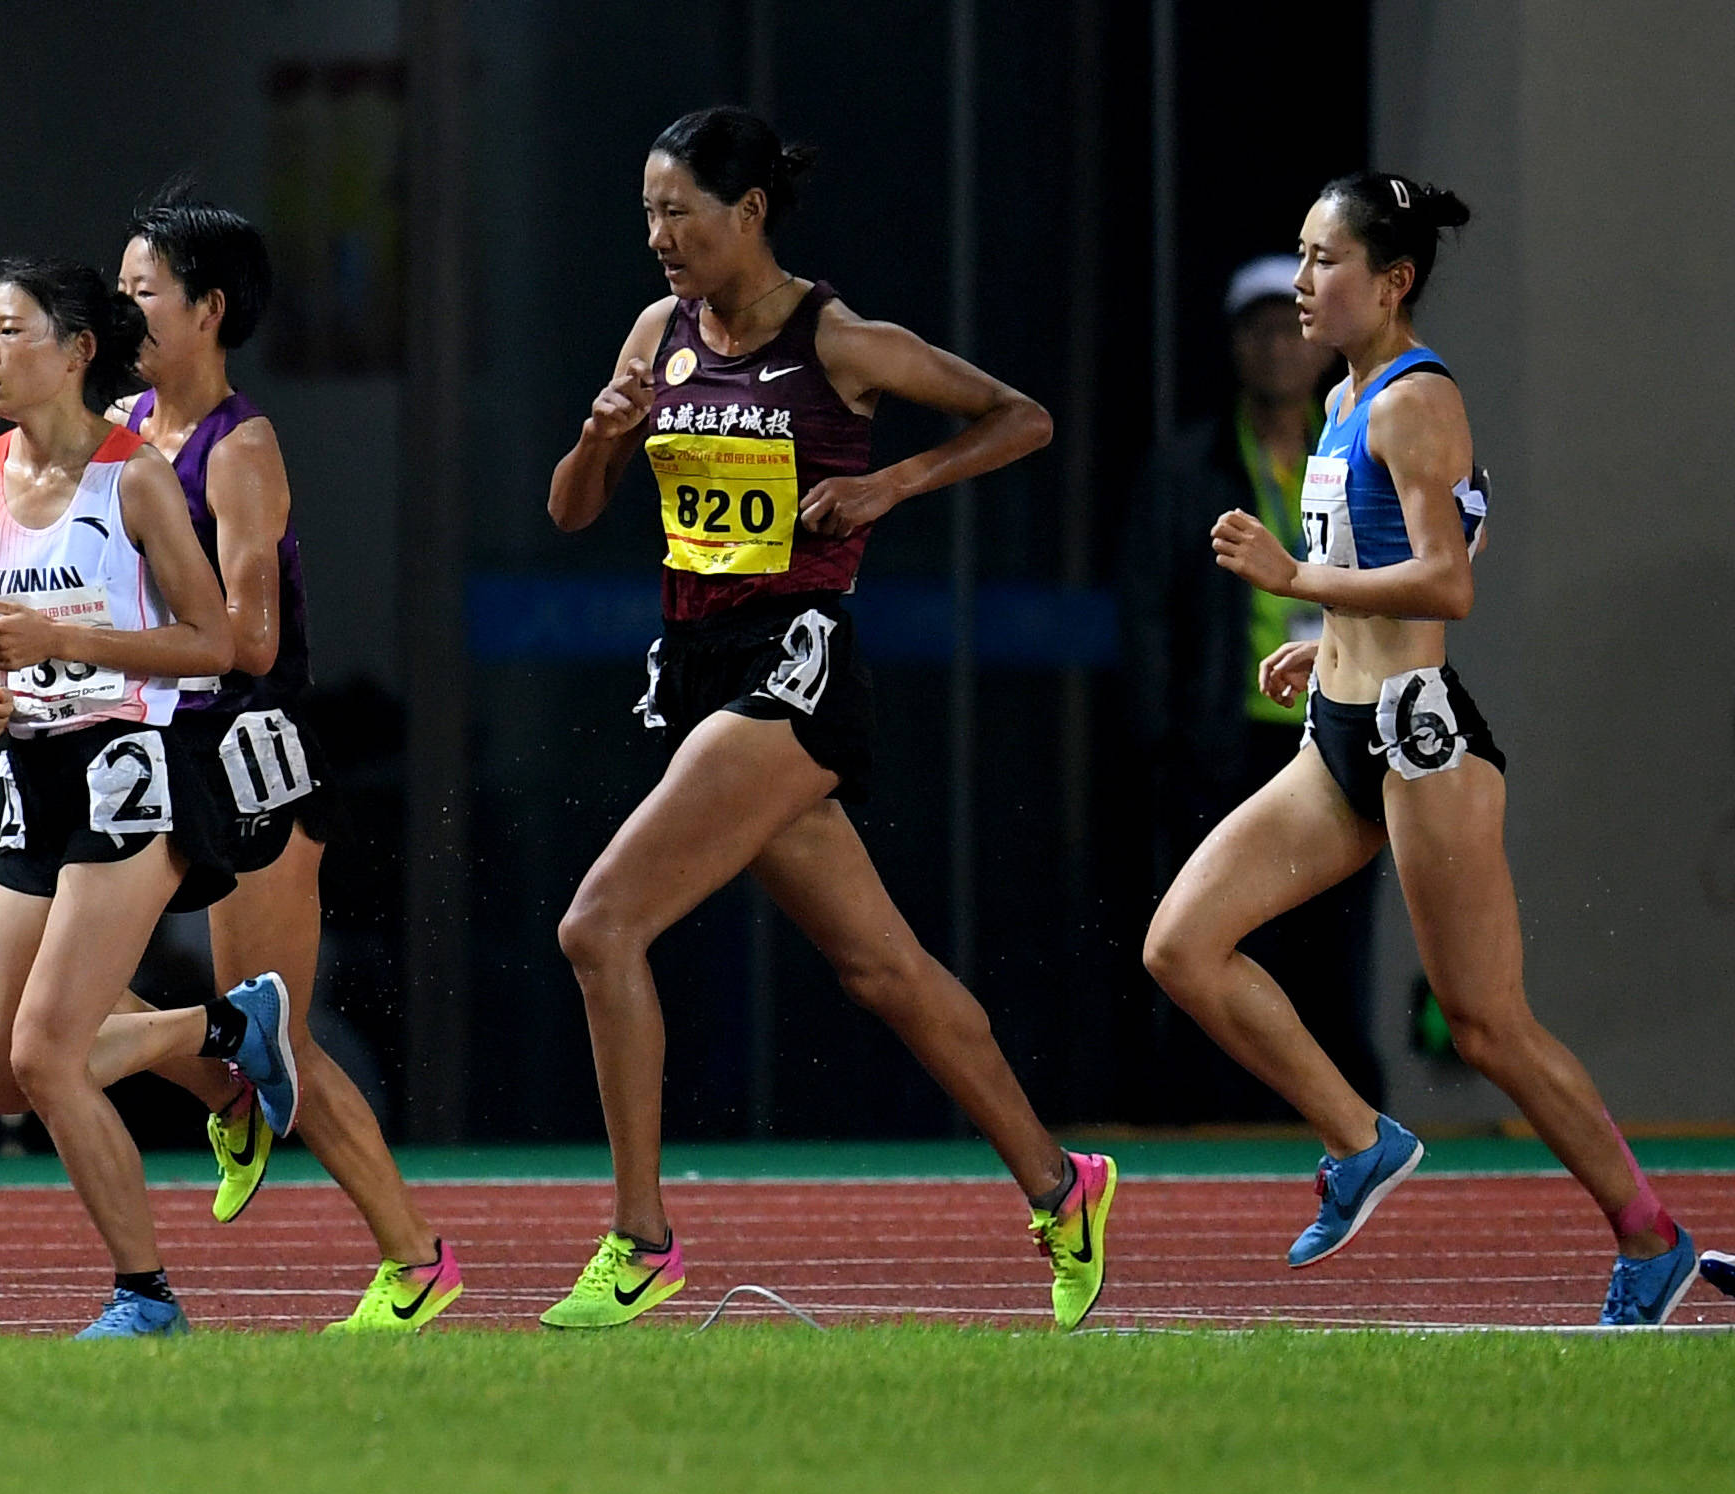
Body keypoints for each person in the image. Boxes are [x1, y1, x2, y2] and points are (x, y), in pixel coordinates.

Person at [541, 107, 1113, 1330]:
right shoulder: (659, 333)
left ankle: (639, 1239)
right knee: (879, 969)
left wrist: (889, 485)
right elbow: (569, 512)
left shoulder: (842, 341)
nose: (655, 237)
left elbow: (1021, 416)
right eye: (645, 213)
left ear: (745, 214)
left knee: (597, 927)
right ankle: (1063, 1185)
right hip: (695, 665)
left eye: (675, 211)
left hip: (791, 668)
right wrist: (597, 441)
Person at [1144, 174, 1714, 1326]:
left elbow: (1447, 582)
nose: (1302, 283)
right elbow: (1455, 534)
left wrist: (1297, 584)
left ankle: (1649, 1240)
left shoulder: (1412, 397)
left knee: (1485, 1022)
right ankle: (1359, 1138)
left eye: (1323, 260)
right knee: (1179, 944)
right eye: (1299, 256)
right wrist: (1329, 639)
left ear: (1391, 279)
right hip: (1336, 732)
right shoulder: (1348, 394)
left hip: (1418, 738)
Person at [86, 189, 463, 1333]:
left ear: (205, 310)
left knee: (279, 1029)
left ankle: (412, 1260)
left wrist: (102, 642)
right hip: (143, 757)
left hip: (248, 756)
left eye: (141, 288)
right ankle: (225, 1088)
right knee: (58, 1000)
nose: (119, 306)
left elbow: (245, 641)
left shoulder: (239, 450)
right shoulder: (113, 426)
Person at [0, 257, 289, 1341]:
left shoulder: (132, 477)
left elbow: (216, 644)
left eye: (8, 331)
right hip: (34, 776)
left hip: (131, 770)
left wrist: (69, 643)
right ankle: (229, 1028)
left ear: (77, 350)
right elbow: (2, 640)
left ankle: (144, 1297)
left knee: (47, 1054)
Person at [1121, 253, 1381, 1116]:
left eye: (1291, 329)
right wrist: (1164, 735)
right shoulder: (1187, 467)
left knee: (1334, 935)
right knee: (1217, 929)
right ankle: (1209, 1113)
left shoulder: (1350, 446)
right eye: (1259, 330)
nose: (1277, 348)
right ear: (1235, 346)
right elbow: (1151, 611)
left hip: (1334, 725)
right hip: (1223, 737)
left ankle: (1334, 1111)